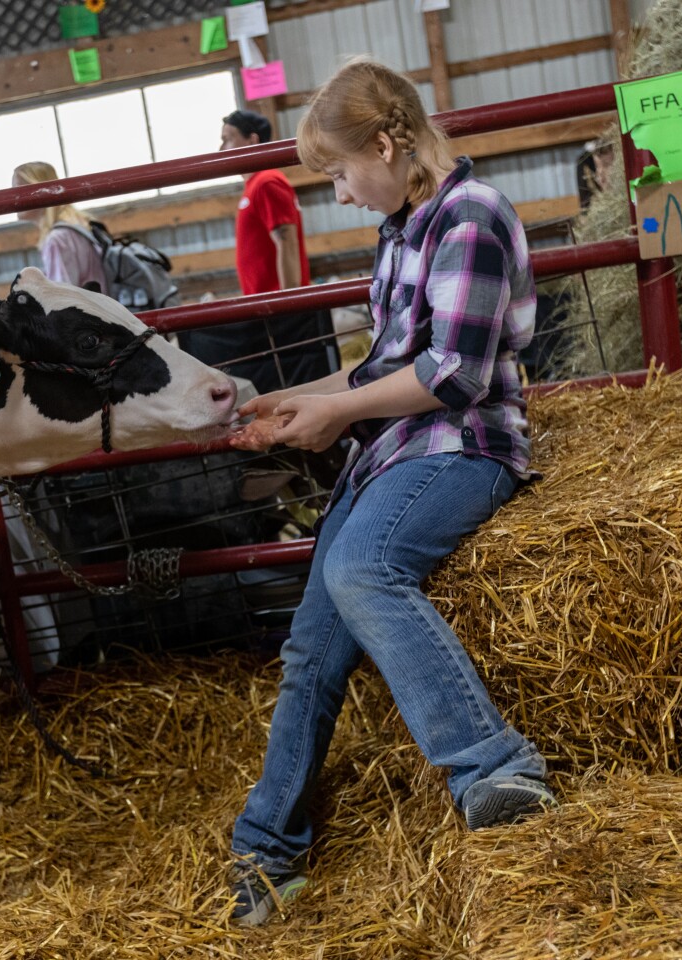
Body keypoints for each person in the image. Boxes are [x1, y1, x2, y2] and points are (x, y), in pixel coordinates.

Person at [225, 58, 555, 927]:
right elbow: (387, 364)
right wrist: (309, 400)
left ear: (384, 142)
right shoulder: (404, 228)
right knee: (309, 651)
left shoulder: (471, 218)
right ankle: (265, 854)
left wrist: (338, 415)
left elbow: (453, 375)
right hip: (395, 454)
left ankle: (496, 770)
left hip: (465, 445)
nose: (337, 193)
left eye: (338, 172)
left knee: (365, 569)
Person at [180, 109, 332, 394]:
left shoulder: (266, 182)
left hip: (279, 307)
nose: (222, 147)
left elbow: (285, 240)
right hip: (265, 303)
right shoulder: (253, 186)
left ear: (252, 140)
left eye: (228, 139)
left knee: (290, 378)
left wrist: (288, 301)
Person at [11, 161, 108, 294]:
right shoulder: (77, 226)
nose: (12, 198)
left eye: (18, 190)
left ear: (38, 191)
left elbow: (63, 300)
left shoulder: (57, 239)